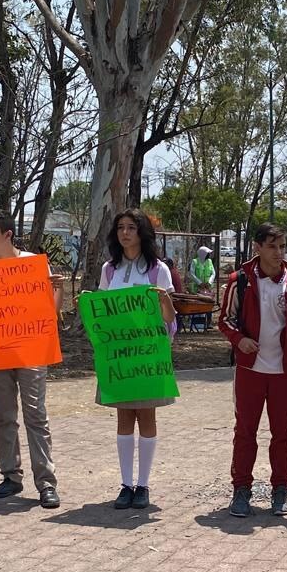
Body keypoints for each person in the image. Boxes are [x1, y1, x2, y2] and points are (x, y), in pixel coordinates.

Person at [219, 222, 287, 517]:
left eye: (282, 247)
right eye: (272, 246)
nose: (279, 253)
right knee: (245, 431)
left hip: (284, 371)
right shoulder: (239, 280)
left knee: (282, 433)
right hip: (250, 371)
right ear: (257, 247)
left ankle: (281, 489)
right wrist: (240, 340)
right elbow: (225, 320)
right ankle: (241, 490)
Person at [0, 210, 63, 509]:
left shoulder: (32, 265)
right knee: (4, 416)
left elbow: (51, 313)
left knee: (35, 414)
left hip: (31, 350)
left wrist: (56, 288)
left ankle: (46, 483)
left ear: (7, 235)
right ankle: (10, 476)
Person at [95, 209, 177, 510]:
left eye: (131, 227)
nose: (125, 233)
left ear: (143, 232)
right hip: (119, 357)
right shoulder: (108, 270)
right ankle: (125, 485)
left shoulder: (158, 270)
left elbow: (169, 319)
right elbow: (103, 312)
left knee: (147, 417)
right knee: (123, 418)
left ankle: (143, 485)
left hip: (148, 356)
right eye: (120, 228)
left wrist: (165, 301)